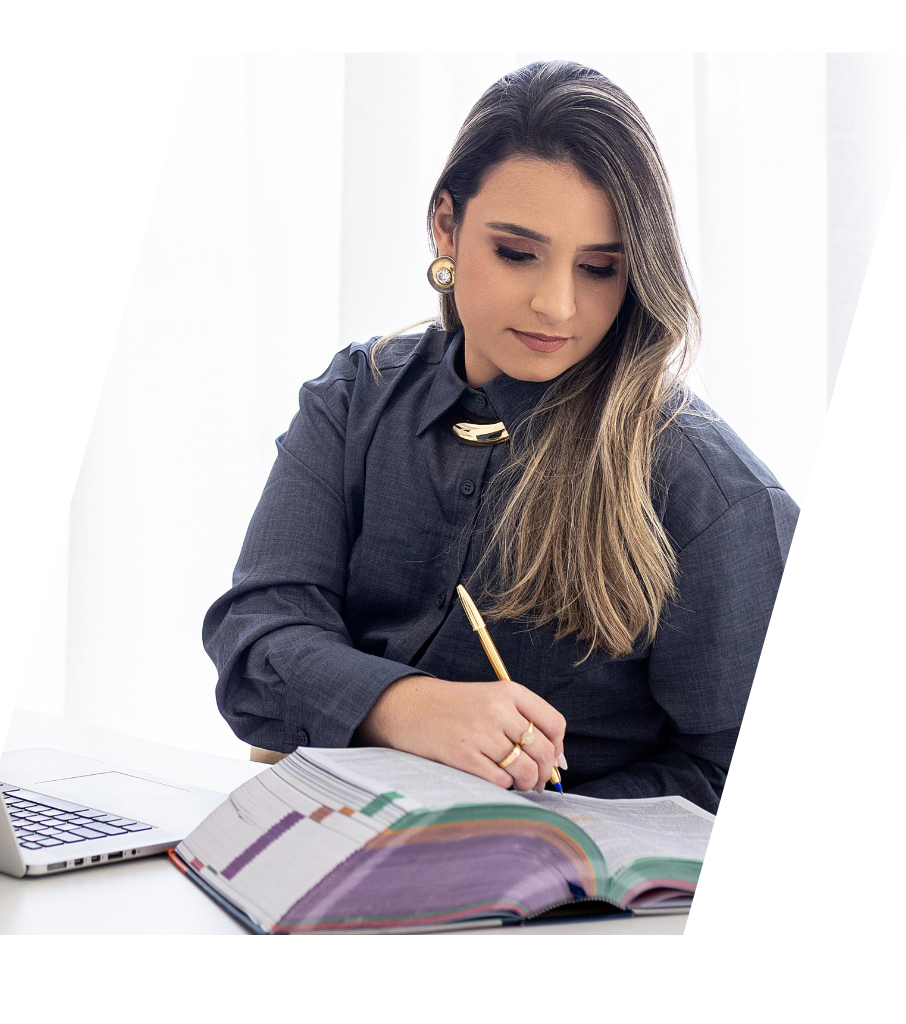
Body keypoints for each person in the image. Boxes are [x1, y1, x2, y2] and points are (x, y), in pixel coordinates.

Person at [202, 60, 800, 816]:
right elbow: (255, 641)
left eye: (599, 268)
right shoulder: (355, 398)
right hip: (322, 840)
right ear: (445, 225)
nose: (557, 306)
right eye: (518, 253)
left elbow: (718, 772)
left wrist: (541, 828)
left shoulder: (711, 492)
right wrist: (406, 706)